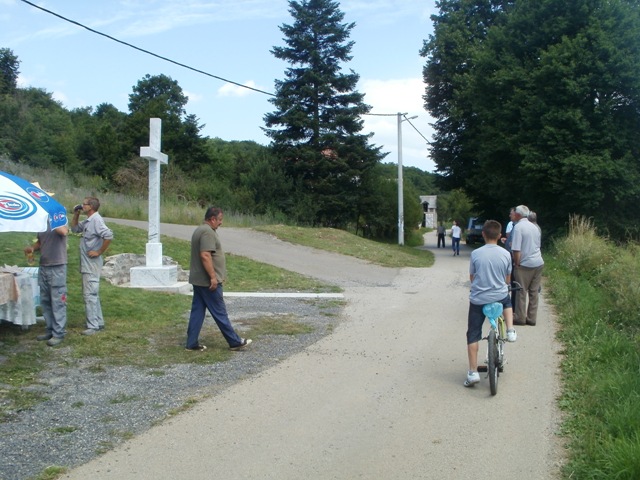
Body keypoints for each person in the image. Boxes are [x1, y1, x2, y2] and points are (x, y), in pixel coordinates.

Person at [186, 207, 252, 351]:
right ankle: (234, 341)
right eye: (219, 219)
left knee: (197, 311)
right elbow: (205, 255)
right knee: (219, 312)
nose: (221, 223)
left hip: (199, 281)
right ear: (212, 219)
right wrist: (213, 277)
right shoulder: (207, 232)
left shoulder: (200, 230)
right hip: (207, 282)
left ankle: (191, 343)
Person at [464, 220, 517, 387]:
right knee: (507, 302)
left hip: (479, 298)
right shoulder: (506, 254)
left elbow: (472, 278)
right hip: (499, 295)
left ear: (483, 234)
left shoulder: (476, 254)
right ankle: (510, 330)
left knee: (473, 333)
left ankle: (473, 372)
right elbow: (507, 278)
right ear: (500, 235)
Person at [71, 197, 113, 336]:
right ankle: (98, 322)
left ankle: (92, 326)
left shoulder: (96, 220)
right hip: (87, 264)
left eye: (84, 204)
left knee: (89, 294)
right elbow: (75, 229)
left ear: (91, 207)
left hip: (92, 264)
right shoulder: (88, 221)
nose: (82, 205)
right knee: (92, 294)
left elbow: (108, 235)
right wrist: (76, 214)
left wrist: (99, 251)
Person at [24, 219, 69, 346]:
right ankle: (50, 329)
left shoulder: (60, 219)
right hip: (44, 265)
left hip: (57, 266)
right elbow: (40, 241)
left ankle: (59, 333)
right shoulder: (41, 222)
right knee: (45, 300)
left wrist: (52, 218)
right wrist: (32, 248)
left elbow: (64, 232)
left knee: (58, 301)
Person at [510, 205, 544, 326]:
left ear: (518, 215)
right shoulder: (535, 227)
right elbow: (538, 245)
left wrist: (517, 263)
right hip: (538, 262)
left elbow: (516, 249)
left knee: (521, 290)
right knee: (534, 291)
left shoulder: (519, 227)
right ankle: (532, 318)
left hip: (525, 264)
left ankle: (520, 317)